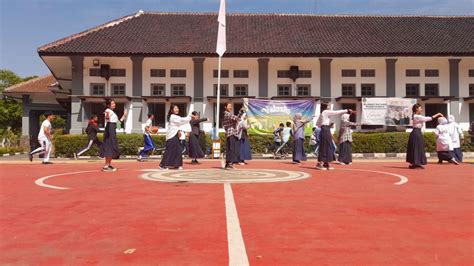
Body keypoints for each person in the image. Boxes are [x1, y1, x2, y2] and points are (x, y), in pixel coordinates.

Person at [317, 106, 355, 170]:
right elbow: (336, 112)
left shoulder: (325, 115)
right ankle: (320, 163)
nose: (330, 109)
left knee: (329, 146)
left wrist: (328, 125)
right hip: (325, 129)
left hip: (326, 129)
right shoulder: (325, 112)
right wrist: (347, 110)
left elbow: (318, 123)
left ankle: (326, 162)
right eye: (328, 107)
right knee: (325, 145)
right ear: (325, 108)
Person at [406, 103, 443, 169]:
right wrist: (438, 114)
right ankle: (415, 163)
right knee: (416, 148)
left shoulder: (417, 116)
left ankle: (417, 163)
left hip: (417, 132)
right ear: (416, 109)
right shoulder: (416, 116)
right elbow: (428, 118)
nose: (421, 109)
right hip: (416, 132)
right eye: (420, 108)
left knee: (419, 148)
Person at [159, 105, 192, 170]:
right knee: (169, 150)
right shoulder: (173, 117)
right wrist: (190, 116)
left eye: (177, 108)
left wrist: (179, 131)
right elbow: (182, 120)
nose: (177, 109)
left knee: (178, 150)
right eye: (175, 108)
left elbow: (179, 125)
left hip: (175, 136)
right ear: (171, 110)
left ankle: (177, 164)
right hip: (171, 136)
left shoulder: (176, 117)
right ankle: (163, 165)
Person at [100, 99, 126, 172]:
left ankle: (108, 164)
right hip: (109, 130)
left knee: (111, 147)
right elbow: (107, 118)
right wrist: (107, 117)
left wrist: (124, 116)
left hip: (112, 129)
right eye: (112, 103)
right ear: (109, 105)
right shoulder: (108, 110)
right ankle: (106, 166)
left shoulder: (112, 112)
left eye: (114, 103)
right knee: (109, 147)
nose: (114, 104)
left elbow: (118, 124)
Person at [223, 103, 243, 169]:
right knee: (231, 149)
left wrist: (240, 113)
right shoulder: (227, 114)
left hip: (231, 133)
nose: (230, 107)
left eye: (231, 106)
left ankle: (228, 163)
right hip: (231, 133)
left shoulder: (228, 114)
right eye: (229, 106)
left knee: (230, 149)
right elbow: (236, 118)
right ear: (225, 107)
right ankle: (229, 163)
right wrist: (240, 112)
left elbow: (237, 119)